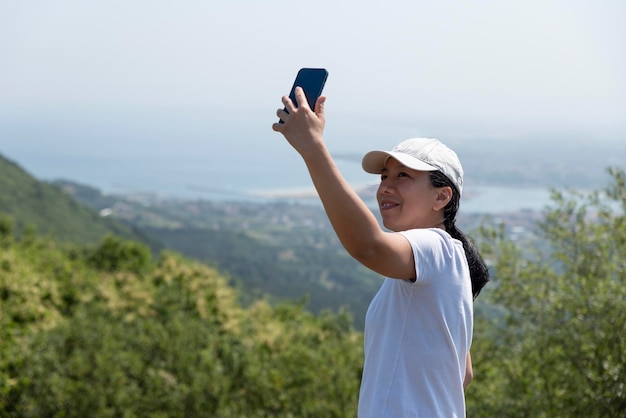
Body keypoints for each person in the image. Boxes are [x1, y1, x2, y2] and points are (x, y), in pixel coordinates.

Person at [272, 87, 489, 417]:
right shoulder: (439, 263)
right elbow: (463, 374)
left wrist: (312, 148)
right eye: (385, 175)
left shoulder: (437, 247)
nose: (386, 186)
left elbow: (368, 246)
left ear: (441, 197)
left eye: (404, 176)